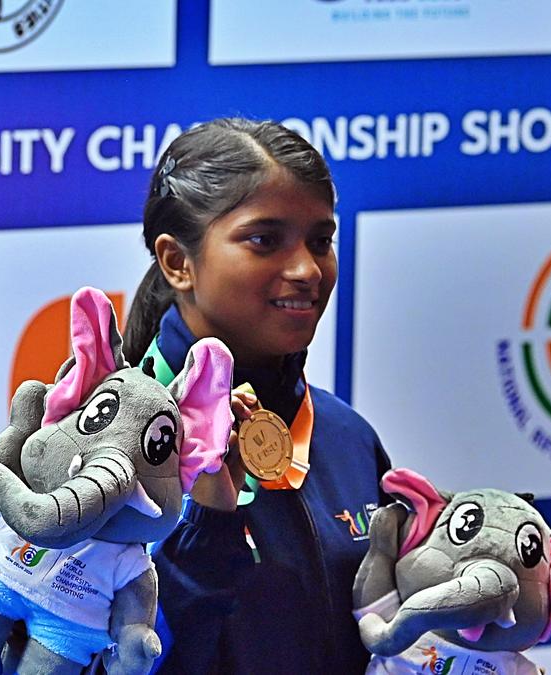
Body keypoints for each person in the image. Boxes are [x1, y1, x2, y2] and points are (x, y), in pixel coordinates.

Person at [121, 119, 392, 674]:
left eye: (321, 241)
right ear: (178, 262)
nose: (307, 270)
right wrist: (208, 529)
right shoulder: (107, 443)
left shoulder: (347, 437)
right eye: (265, 240)